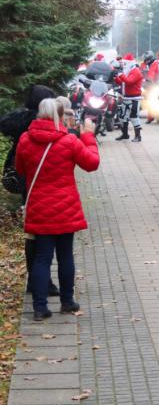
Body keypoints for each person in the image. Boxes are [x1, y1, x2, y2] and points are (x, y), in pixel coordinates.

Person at [15, 99, 99, 320]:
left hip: (39, 206)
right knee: (65, 256)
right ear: (60, 116)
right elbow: (92, 163)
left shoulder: (25, 139)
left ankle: (40, 308)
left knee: (42, 257)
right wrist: (88, 136)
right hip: (66, 207)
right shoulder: (69, 141)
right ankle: (67, 301)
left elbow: (20, 169)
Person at [0, 85, 60, 297]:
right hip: (42, 180)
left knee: (31, 231)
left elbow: (4, 125)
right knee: (44, 234)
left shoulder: (20, 120)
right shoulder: (44, 123)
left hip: (26, 178)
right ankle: (42, 282)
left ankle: (34, 280)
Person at [114, 53, 145, 142]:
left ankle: (138, 136)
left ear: (129, 63)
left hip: (134, 98)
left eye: (125, 63)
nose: (123, 64)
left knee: (134, 117)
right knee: (123, 116)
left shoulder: (136, 71)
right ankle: (125, 134)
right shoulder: (128, 70)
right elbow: (122, 82)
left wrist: (120, 74)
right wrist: (115, 77)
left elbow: (129, 81)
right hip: (126, 97)